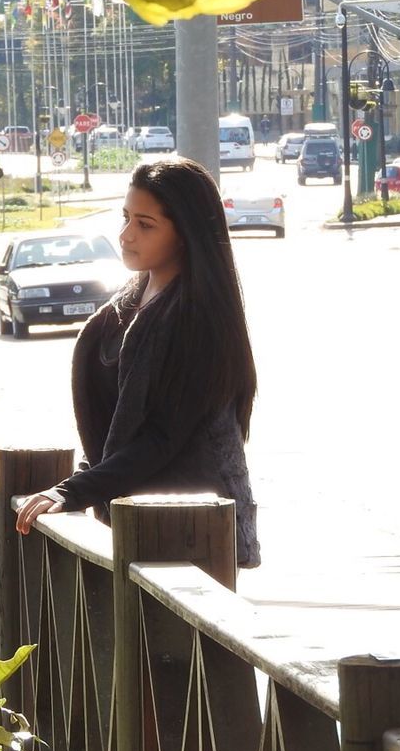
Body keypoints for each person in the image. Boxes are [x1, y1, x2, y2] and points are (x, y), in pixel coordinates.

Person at [14, 158, 261, 568]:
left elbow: (162, 437)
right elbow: (115, 428)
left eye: (145, 225)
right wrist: (84, 483)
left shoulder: (197, 317)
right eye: (126, 218)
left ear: (185, 234)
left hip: (191, 529)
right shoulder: (127, 303)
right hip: (137, 520)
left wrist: (72, 491)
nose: (126, 235)